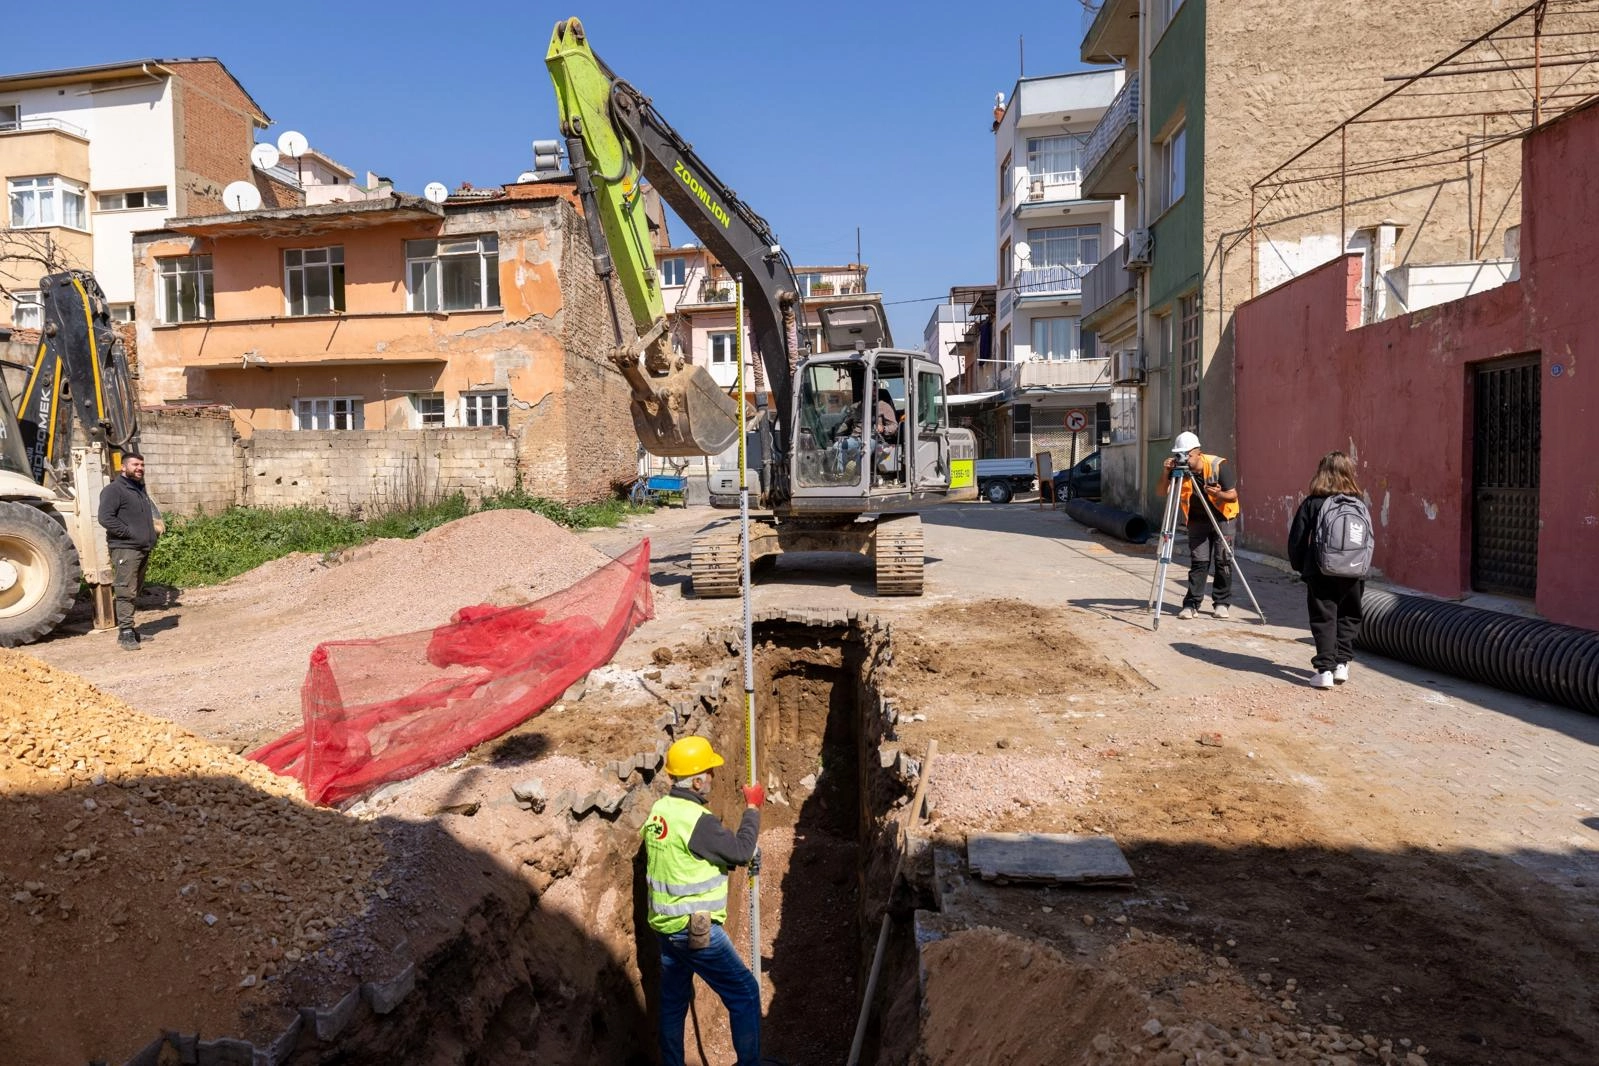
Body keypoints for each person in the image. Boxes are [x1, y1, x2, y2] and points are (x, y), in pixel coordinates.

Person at [642, 736, 766, 1066]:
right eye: (709, 772)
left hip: (665, 927)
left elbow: (683, 860)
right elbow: (740, 851)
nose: (713, 778)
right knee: (745, 993)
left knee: (673, 1002)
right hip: (696, 932)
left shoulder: (660, 811)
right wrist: (752, 809)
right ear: (696, 779)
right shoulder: (698, 821)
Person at [1287, 451, 1367, 689]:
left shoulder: (1313, 502)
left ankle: (1324, 670)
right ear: (1349, 473)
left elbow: (1297, 539)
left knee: (1324, 617)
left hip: (1320, 569)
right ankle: (1342, 664)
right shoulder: (1358, 503)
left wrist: (1300, 566)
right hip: (1353, 569)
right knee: (1349, 614)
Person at [1159, 430, 1239, 620]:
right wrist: (1166, 472)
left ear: (1197, 452)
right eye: (1179, 454)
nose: (1183, 458)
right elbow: (1163, 492)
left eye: (1187, 454)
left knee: (1223, 561)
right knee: (1199, 562)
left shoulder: (1217, 465)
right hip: (1196, 521)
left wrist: (1217, 494)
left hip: (1223, 518)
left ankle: (1221, 603)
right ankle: (1191, 603)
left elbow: (1233, 495)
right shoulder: (1179, 470)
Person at [97, 451, 163, 651]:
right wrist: (129, 534)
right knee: (125, 590)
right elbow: (105, 518)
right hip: (126, 549)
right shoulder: (114, 490)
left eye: (142, 465)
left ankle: (130, 628)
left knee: (134, 590)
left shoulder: (138, 489)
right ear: (123, 467)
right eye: (135, 465)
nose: (140, 468)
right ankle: (125, 632)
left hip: (141, 548)